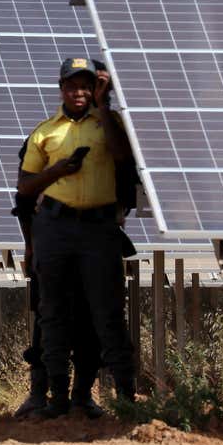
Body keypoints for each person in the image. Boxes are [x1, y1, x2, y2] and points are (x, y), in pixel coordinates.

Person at [17, 57, 138, 418]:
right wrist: (57, 171)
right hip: (55, 228)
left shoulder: (111, 125)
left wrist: (105, 105)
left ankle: (122, 402)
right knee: (52, 314)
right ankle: (55, 398)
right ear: (61, 89)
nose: (79, 92)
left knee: (105, 314)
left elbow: (122, 157)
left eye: (87, 85)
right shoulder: (43, 133)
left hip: (99, 230)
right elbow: (23, 190)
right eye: (72, 85)